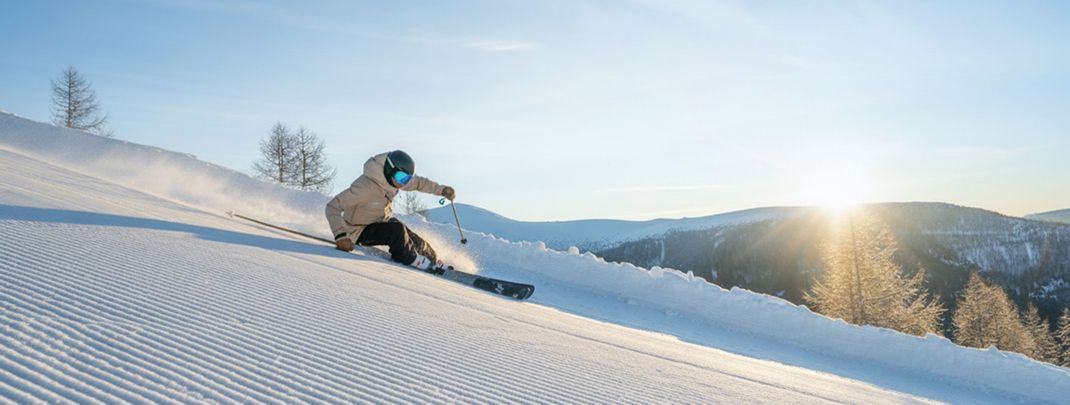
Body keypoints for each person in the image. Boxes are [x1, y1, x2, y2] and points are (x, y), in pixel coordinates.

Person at [325, 150, 456, 271]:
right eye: (401, 177)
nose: (403, 182)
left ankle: (432, 260)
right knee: (396, 230)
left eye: (407, 178)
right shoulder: (365, 187)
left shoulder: (393, 180)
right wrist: (341, 237)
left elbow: (419, 183)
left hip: (380, 222)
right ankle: (410, 259)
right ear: (389, 169)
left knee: (411, 237)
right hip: (358, 231)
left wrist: (441, 190)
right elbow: (332, 207)